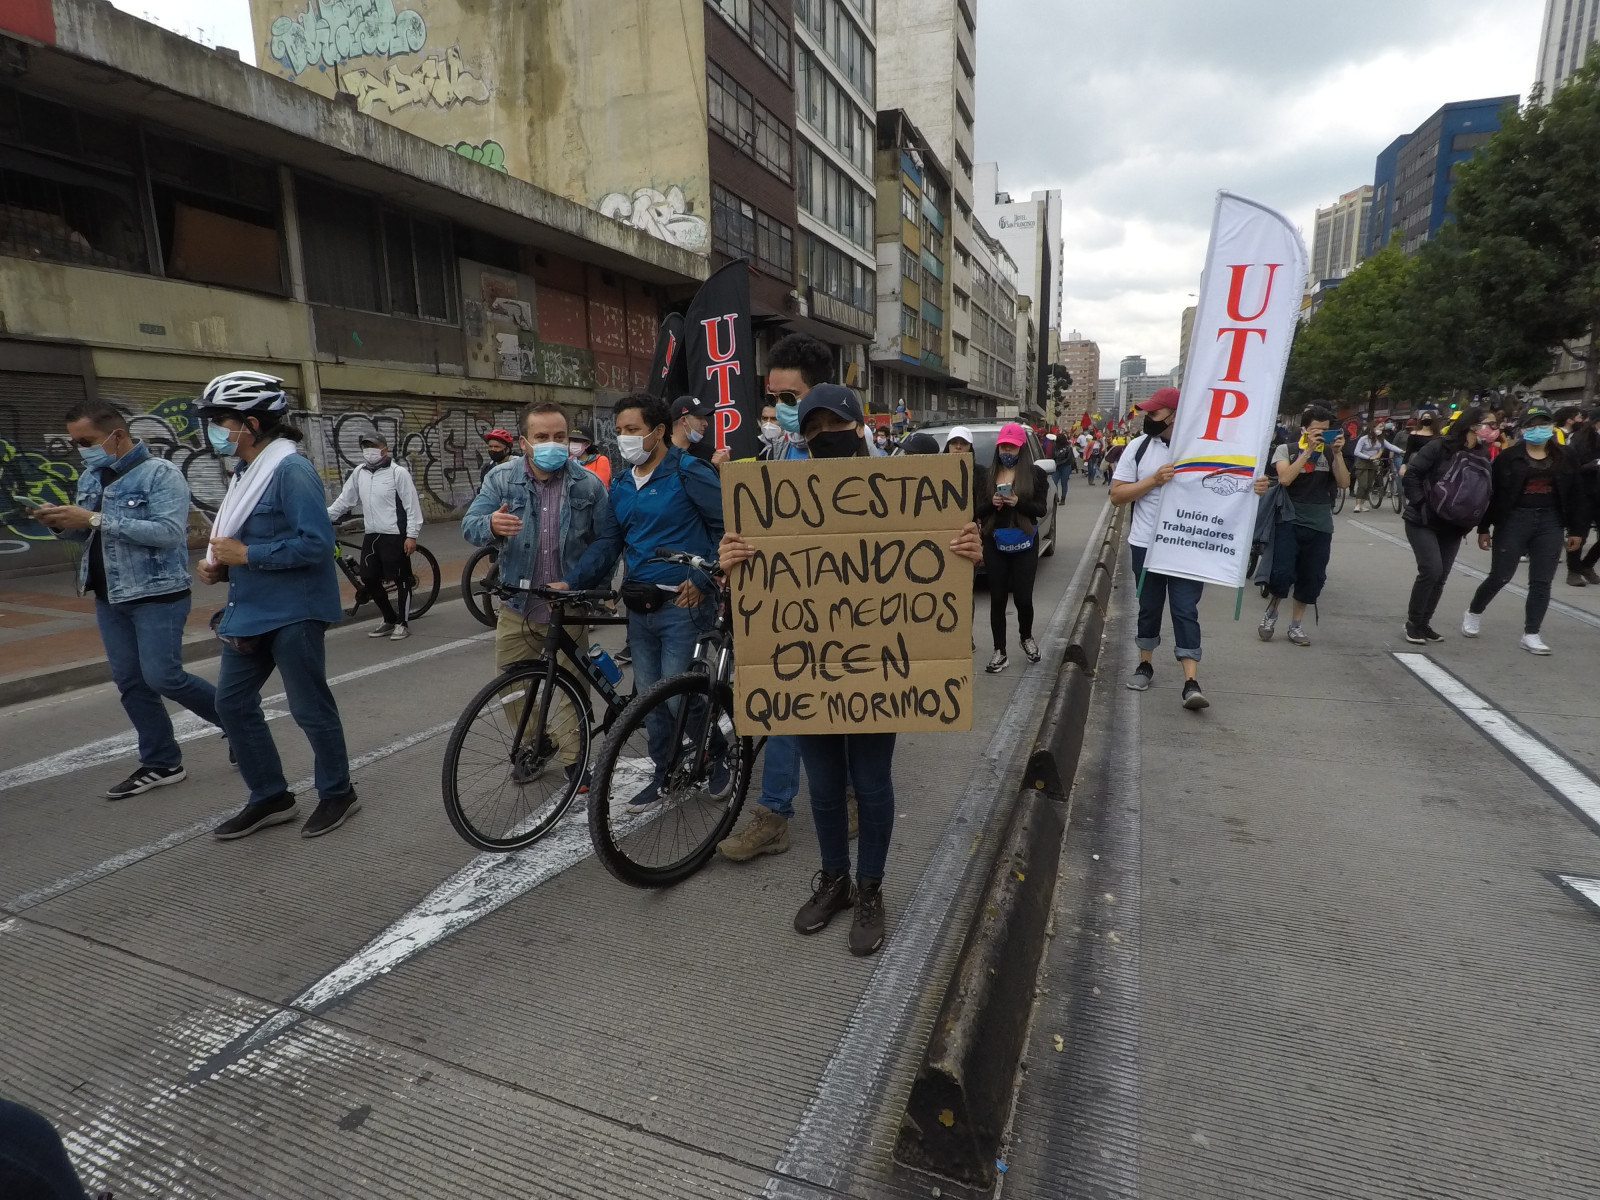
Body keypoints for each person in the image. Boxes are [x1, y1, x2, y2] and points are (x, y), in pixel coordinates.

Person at [717, 383, 984, 956]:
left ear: (859, 426)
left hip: (877, 670)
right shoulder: (775, 490)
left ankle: (869, 889)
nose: (822, 438)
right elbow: (758, 569)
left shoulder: (909, 488)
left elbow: (939, 558)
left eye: (832, 426)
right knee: (824, 786)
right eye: (811, 431)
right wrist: (730, 559)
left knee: (871, 781)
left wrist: (966, 548)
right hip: (809, 668)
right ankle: (834, 879)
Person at [195, 371, 358, 840]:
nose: (212, 432)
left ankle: (337, 792)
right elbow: (250, 536)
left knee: (309, 707)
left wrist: (247, 556)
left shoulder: (291, 470)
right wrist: (223, 567)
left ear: (250, 423)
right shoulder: (247, 471)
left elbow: (317, 543)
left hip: (296, 609)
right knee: (232, 704)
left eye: (219, 422)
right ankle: (270, 796)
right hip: (249, 608)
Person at [31, 401, 222, 800]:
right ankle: (162, 763)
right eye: (75, 443)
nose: (81, 449)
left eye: (87, 441)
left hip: (157, 594)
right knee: (132, 683)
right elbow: (86, 536)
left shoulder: (161, 473)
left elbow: (170, 533)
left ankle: (241, 723)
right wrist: (60, 525)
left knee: (164, 676)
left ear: (117, 436)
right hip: (108, 595)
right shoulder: (90, 476)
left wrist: (95, 519)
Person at [462, 401, 620, 792]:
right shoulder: (501, 479)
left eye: (560, 437)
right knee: (516, 691)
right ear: (524, 442)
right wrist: (491, 525)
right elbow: (470, 525)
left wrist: (584, 583)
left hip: (567, 608)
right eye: (543, 437)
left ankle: (574, 759)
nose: (553, 444)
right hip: (517, 603)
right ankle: (537, 745)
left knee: (570, 689)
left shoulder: (587, 484)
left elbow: (607, 540)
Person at [602, 393, 728, 810]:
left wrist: (701, 579)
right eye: (619, 431)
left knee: (678, 696)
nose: (625, 438)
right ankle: (663, 772)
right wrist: (572, 582)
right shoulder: (620, 484)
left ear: (658, 431)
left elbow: (725, 529)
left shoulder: (690, 472)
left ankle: (717, 754)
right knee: (650, 701)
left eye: (633, 430)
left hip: (683, 606)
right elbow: (609, 543)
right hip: (641, 608)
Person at [1113, 387, 1269, 709]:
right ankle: (1145, 663)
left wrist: (1255, 486)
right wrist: (1152, 481)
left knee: (1185, 609)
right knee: (1149, 606)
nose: (1147, 418)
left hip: (1188, 547)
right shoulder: (1138, 449)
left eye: (1154, 413)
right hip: (1146, 546)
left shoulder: (1208, 450)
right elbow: (1117, 495)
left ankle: (1191, 682)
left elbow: (1230, 487)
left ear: (1175, 416)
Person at [1463, 405, 1590, 654]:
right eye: (1532, 425)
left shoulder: (1566, 455)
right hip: (1514, 520)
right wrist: (1484, 528)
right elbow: (1495, 495)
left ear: (1552, 427)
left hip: (1550, 521)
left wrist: (1577, 530)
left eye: (1544, 424)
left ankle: (1532, 633)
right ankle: (1474, 612)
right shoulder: (1508, 457)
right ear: (1523, 429)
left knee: (1542, 581)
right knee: (1500, 575)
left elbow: (1577, 493)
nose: (1539, 430)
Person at [1400, 408, 1495, 643]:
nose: (1494, 429)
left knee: (1441, 576)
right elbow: (1411, 476)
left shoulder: (1483, 453)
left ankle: (1424, 624)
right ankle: (1412, 623)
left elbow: (1482, 491)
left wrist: (1478, 521)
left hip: (1454, 524)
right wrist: (1422, 503)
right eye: (1489, 424)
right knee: (1431, 569)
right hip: (1423, 520)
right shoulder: (1439, 446)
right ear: (1473, 425)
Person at [1258, 405, 1350, 646]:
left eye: (1326, 431)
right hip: (1289, 518)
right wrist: (1307, 451)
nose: (1321, 435)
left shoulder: (1331, 453)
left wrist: (1338, 454)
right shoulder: (1285, 450)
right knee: (1282, 573)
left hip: (1320, 522)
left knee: (1312, 576)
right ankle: (1271, 612)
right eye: (1316, 431)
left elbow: (1343, 483)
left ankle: (1296, 626)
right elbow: (1285, 479)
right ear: (1304, 430)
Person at [325, 432, 423, 641]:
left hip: (395, 534)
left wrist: (412, 535)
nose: (368, 450)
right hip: (372, 534)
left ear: (384, 449)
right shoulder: (359, 472)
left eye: (372, 446)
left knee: (400, 578)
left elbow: (411, 505)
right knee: (369, 578)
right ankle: (389, 618)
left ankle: (402, 623)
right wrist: (323, 516)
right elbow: (345, 500)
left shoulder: (398, 473)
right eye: (365, 446)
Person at [976, 422, 1048, 673]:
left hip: (1025, 542)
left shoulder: (1035, 474)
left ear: (1021, 449)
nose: (1007, 451)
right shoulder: (986, 475)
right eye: (1003, 446)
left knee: (1023, 598)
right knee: (997, 598)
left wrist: (1017, 502)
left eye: (1013, 447)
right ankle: (1000, 651)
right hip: (995, 541)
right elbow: (976, 511)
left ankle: (1026, 636)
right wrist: (992, 503)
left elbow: (1041, 509)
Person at [763, 332, 834, 461]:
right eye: (772, 397)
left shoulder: (844, 444)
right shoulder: (779, 446)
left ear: (819, 390)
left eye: (788, 397)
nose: (779, 406)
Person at [1565, 416, 1600, 586]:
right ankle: (1573, 571)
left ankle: (1587, 565)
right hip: (1583, 494)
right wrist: (1592, 465)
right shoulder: (1579, 440)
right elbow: (1570, 468)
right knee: (1579, 535)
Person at [1351, 423, 1403, 513]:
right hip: (1362, 463)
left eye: (1382, 428)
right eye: (1379, 427)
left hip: (1374, 464)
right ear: (1373, 428)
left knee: (1369, 485)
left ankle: (1362, 505)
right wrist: (1369, 457)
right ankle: (1357, 505)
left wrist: (1401, 451)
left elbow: (1390, 446)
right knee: (1362, 485)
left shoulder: (1381, 439)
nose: (1381, 430)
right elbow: (1356, 452)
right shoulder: (1363, 439)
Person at [669, 393, 729, 465]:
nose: (706, 424)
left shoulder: (708, 452)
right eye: (699, 417)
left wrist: (724, 467)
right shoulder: (660, 450)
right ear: (683, 420)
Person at [568, 422, 612, 488]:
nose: (572, 443)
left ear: (587, 444)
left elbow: (600, 485)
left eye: (577, 441)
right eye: (571, 440)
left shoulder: (600, 460)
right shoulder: (569, 460)